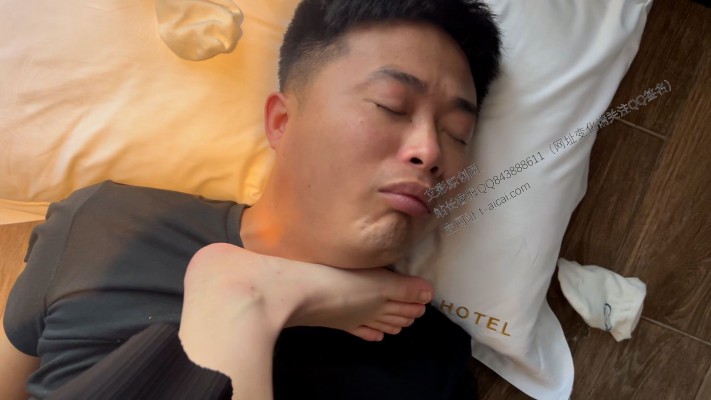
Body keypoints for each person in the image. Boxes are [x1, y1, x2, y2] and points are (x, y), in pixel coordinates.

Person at [1, 0, 502, 399]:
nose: (430, 151)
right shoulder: (106, 226)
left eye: (457, 133)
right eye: (391, 105)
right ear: (281, 122)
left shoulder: (432, 361)